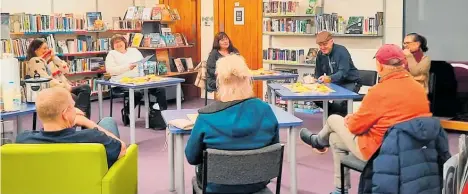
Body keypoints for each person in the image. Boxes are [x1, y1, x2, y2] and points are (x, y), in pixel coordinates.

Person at [299, 44, 432, 194]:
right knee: (335, 139)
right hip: (412, 151)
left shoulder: (378, 92)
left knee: (333, 120)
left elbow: (356, 127)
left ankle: (318, 141)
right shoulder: (419, 89)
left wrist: (350, 119)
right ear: (403, 63)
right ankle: (339, 188)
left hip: (379, 151)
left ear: (380, 66)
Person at [185, 54, 279, 194]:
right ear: (247, 78)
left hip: (215, 188)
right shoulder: (265, 110)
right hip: (256, 184)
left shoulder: (206, 117)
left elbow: (192, 157)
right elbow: (273, 151)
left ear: (219, 80)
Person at [15, 87, 126, 168]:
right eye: (73, 106)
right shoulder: (93, 137)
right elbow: (122, 149)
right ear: (65, 114)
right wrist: (88, 123)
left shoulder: (23, 140)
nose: (76, 109)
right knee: (108, 122)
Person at [105, 35, 167, 126]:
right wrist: (127, 67)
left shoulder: (134, 51)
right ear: (112, 45)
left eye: (120, 42)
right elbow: (110, 71)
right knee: (137, 92)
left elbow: (142, 63)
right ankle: (127, 111)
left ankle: (158, 113)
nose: (118, 44)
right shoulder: (112, 54)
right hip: (121, 83)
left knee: (160, 89)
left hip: (140, 80)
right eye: (115, 43)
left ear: (125, 42)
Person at [26, 38, 92, 117]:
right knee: (76, 98)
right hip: (52, 91)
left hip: (64, 87)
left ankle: (79, 118)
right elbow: (46, 80)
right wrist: (63, 86)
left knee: (86, 88)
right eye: (44, 48)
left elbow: (66, 70)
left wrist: (54, 57)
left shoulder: (49, 61)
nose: (47, 50)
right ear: (36, 50)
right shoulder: (35, 61)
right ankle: (80, 119)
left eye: (47, 48)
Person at [314, 31, 361, 116]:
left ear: (331, 41)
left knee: (338, 102)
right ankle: (333, 116)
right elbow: (318, 73)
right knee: (316, 98)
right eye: (320, 45)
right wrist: (314, 80)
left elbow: (343, 73)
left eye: (325, 44)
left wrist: (329, 78)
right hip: (334, 83)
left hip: (349, 82)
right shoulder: (320, 54)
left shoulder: (341, 51)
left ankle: (335, 118)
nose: (322, 47)